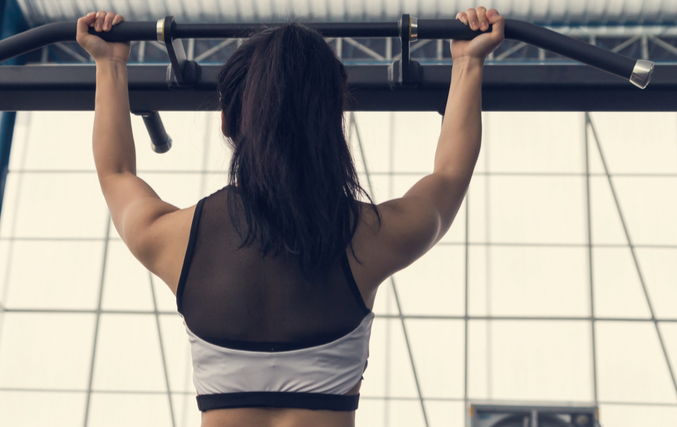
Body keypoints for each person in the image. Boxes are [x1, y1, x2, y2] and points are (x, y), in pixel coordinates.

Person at [77, 6, 504, 427]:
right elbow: (449, 175)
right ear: (331, 122)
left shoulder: (173, 239)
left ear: (227, 123)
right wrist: (467, 63)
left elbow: (116, 173)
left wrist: (110, 65)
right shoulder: (367, 239)